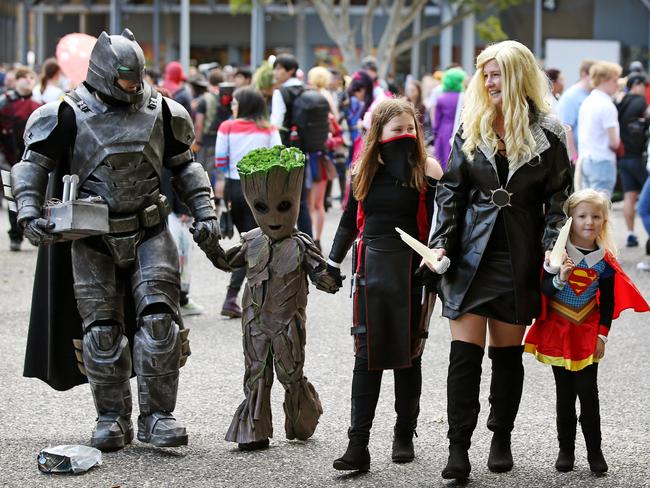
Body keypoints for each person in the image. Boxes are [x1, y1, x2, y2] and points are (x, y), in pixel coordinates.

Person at [10, 29, 224, 451]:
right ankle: (111, 417)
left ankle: (158, 416)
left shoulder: (163, 109)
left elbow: (186, 168)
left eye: (136, 77)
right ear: (105, 73)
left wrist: (205, 212)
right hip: (92, 233)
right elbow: (32, 165)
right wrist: (29, 211)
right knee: (102, 330)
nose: (132, 85)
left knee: (160, 322)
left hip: (149, 228)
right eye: (125, 78)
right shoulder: (66, 112)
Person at [427, 40, 573, 480]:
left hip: (520, 255)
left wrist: (553, 246)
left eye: (497, 74)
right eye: (485, 74)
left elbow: (559, 197)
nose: (490, 82)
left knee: (506, 358)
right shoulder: (471, 126)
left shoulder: (549, 132)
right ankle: (458, 449)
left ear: (518, 77)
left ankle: (501, 435)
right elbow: (450, 191)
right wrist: (439, 244)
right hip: (469, 254)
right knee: (463, 357)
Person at [197, 145, 341, 451]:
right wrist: (210, 245)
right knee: (256, 375)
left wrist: (332, 277)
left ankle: (302, 419)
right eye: (262, 208)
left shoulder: (300, 245)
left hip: (288, 322)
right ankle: (253, 430)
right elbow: (226, 261)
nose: (274, 217)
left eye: (284, 205)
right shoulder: (251, 242)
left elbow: (322, 278)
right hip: (255, 322)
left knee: (291, 374)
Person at [327, 98, 443, 472]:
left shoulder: (428, 169)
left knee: (410, 356)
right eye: (397, 130)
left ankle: (404, 434)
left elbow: (446, 220)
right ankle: (357, 445)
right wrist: (331, 261)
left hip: (413, 268)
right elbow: (348, 220)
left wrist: (437, 259)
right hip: (371, 268)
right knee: (367, 356)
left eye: (411, 129)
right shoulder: (364, 170)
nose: (406, 136)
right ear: (379, 133)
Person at [524, 189, 649, 473]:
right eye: (582, 216)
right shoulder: (556, 255)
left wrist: (602, 334)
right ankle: (566, 451)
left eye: (595, 216)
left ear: (604, 221)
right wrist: (559, 277)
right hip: (558, 329)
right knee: (564, 395)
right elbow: (544, 290)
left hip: (587, 331)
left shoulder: (604, 261)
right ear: (570, 220)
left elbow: (608, 302)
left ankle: (595, 452)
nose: (589, 222)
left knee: (588, 393)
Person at [215, 86, 282, 318]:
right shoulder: (269, 130)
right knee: (262, 243)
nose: (232, 106)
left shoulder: (227, 127)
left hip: (236, 189)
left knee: (250, 243)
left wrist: (221, 197)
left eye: (235, 102)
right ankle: (248, 298)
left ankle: (237, 297)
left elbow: (220, 161)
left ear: (245, 105)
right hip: (263, 191)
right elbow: (278, 158)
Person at [270, 53, 312, 236]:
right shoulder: (306, 90)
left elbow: (275, 124)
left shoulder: (280, 92)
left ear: (291, 71)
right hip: (305, 150)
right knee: (301, 199)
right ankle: (308, 239)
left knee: (283, 197)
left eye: (280, 68)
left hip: (285, 150)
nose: (276, 72)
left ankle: (286, 238)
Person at [0, 67, 41, 251]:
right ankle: (15, 235)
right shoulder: (4, 104)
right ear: (16, 80)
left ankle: (33, 231)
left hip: (33, 160)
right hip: (9, 159)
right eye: (24, 77)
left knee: (35, 198)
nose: (28, 80)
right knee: (13, 199)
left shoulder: (39, 104)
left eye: (31, 77)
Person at [577, 61, 622, 197]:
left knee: (588, 205)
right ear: (604, 80)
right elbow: (614, 142)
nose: (617, 84)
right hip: (602, 161)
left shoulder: (587, 101)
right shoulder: (606, 105)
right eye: (615, 80)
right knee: (601, 209)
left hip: (586, 159)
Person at [616, 73, 648, 247]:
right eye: (644, 85)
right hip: (637, 157)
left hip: (623, 157)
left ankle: (630, 233)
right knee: (646, 198)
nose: (645, 89)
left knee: (629, 196)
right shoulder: (640, 102)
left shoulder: (620, 102)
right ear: (637, 84)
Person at [557, 60, 595, 162]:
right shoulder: (571, 97)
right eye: (594, 75)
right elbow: (566, 128)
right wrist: (574, 157)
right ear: (584, 74)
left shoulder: (591, 95)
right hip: (576, 159)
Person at [432, 67, 466, 170]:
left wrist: (435, 134)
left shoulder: (441, 98)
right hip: (460, 129)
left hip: (444, 131)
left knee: (442, 160)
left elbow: (436, 122)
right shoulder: (464, 97)